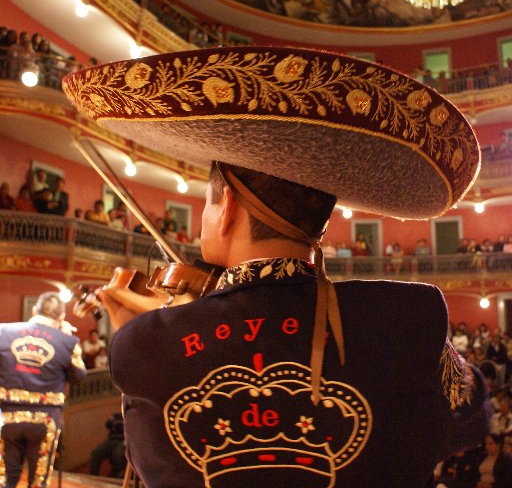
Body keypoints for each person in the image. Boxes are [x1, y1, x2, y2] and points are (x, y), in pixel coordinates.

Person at [64, 46, 488, 488]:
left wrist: (159, 332)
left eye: (206, 204)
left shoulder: (146, 343)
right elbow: (471, 414)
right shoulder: (408, 317)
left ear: (225, 206)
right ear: (319, 227)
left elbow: (153, 468)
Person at [0, 291, 87, 488]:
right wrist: (66, 336)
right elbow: (79, 376)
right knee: (39, 480)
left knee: (5, 478)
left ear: (34, 310)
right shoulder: (68, 342)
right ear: (61, 317)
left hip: (6, 416)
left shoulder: (2, 331)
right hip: (45, 420)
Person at [89, 412, 126, 478]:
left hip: (123, 441)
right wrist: (116, 423)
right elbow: (107, 424)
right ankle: (93, 477)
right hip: (111, 440)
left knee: (118, 456)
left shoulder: (129, 414)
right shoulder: (116, 415)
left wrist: (119, 424)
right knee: (96, 453)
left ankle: (114, 477)